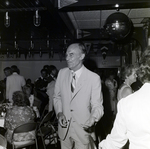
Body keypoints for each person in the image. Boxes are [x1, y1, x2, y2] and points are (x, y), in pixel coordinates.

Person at [53, 42, 104, 149]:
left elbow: (97, 105)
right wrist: (59, 113)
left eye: (71, 54)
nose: (67, 58)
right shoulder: (62, 73)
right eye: (66, 55)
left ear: (82, 56)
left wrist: (93, 119)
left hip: (83, 130)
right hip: (64, 129)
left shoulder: (93, 78)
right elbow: (57, 97)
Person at [99, 47, 150, 149]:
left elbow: (115, 141)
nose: (135, 76)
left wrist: (101, 145)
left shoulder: (128, 103)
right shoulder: (127, 91)